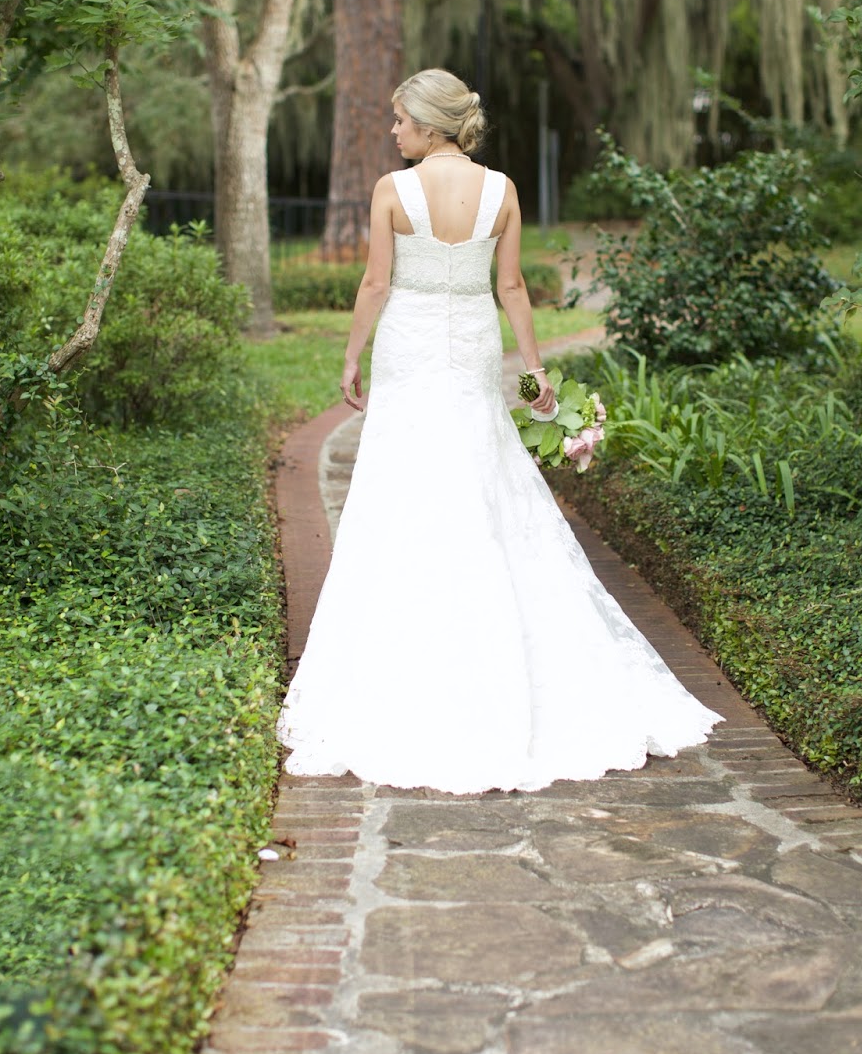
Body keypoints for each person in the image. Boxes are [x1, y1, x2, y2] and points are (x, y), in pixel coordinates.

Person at [276, 68, 723, 792]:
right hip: (475, 343)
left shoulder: (393, 190)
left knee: (403, 485)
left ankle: (410, 654)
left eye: (400, 120)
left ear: (429, 125)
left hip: (410, 345)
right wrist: (534, 369)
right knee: (481, 475)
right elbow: (510, 286)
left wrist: (351, 356)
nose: (393, 131)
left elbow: (376, 284)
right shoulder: (502, 190)